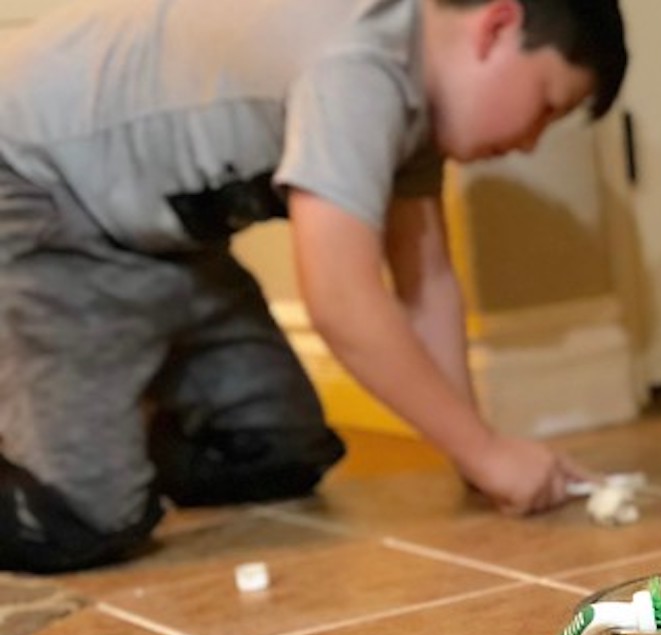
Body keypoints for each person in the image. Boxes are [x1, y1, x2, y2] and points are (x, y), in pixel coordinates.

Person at [0, 0, 627, 574]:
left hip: (160, 240)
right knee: (80, 523)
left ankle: (86, 403)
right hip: (34, 184)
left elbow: (426, 284)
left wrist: (473, 454)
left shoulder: (417, 104)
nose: (528, 142)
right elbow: (341, 300)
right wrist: (489, 452)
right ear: (496, 25)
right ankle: (61, 432)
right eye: (547, 104)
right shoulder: (360, 63)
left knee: (274, 451)